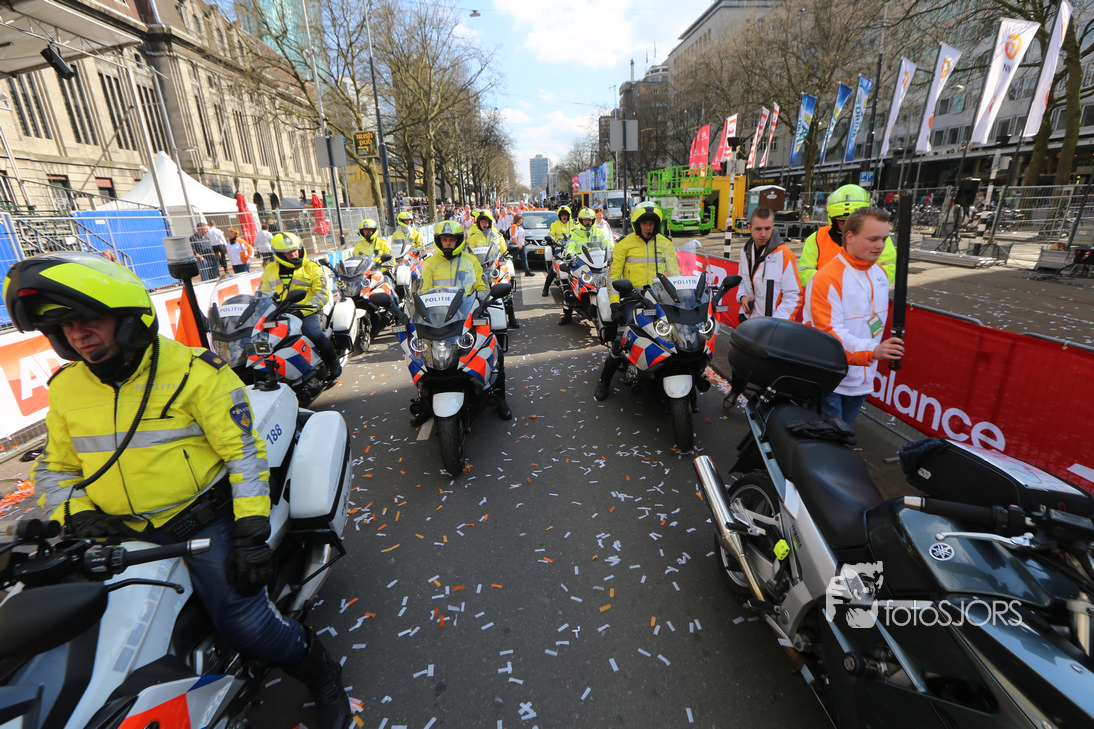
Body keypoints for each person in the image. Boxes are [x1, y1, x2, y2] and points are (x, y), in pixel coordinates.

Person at [2, 252, 351, 729]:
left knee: (246, 624)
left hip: (202, 524)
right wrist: (74, 514)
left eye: (88, 320)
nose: (77, 334)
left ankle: (324, 678)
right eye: (64, 326)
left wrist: (250, 533)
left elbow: (243, 454)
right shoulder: (67, 389)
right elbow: (55, 469)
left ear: (128, 319)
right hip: (113, 533)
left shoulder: (194, 372)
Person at [804, 207, 904, 426]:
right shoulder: (826, 279)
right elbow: (828, 336)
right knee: (826, 440)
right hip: (830, 381)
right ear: (850, 237)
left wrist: (872, 355)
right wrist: (872, 352)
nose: (880, 245)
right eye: (873, 239)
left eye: (884, 239)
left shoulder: (880, 274)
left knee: (843, 435)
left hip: (862, 380)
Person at [415, 220, 511, 422]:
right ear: (438, 241)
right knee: (421, 357)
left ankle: (500, 399)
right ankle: (425, 402)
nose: (448, 243)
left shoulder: (471, 260)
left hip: (468, 314)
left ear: (459, 240)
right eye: (444, 239)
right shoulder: (430, 263)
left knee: (495, 351)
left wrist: (480, 302)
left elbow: (482, 286)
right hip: (439, 318)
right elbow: (423, 291)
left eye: (451, 239)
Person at [593, 202, 680, 401]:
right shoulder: (624, 244)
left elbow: (675, 275)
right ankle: (604, 381)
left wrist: (679, 299)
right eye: (645, 223)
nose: (649, 227)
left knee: (674, 335)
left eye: (652, 223)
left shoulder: (665, 243)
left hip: (659, 297)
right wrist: (615, 304)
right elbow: (614, 277)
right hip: (633, 297)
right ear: (637, 224)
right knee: (621, 341)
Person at [258, 232, 341, 380]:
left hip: (306, 311)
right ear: (279, 254)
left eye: (295, 250)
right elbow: (262, 294)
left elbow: (322, 294)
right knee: (261, 338)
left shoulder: (311, 267)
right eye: (288, 252)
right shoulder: (270, 269)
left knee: (313, 333)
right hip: (278, 312)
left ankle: (333, 361)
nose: (294, 254)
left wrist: (302, 310)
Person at [797, 184, 897, 289]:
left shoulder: (878, 236)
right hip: (826, 293)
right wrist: (832, 282)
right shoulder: (817, 237)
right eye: (842, 220)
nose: (847, 224)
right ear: (833, 219)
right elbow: (804, 272)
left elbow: (890, 268)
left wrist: (860, 282)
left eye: (852, 220)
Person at [737, 207, 800, 321]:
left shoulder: (784, 254)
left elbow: (793, 296)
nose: (763, 234)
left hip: (773, 325)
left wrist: (775, 324)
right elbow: (742, 282)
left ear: (773, 226)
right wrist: (743, 297)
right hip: (748, 321)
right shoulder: (745, 252)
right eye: (758, 229)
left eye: (767, 228)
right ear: (749, 228)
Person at [465, 210, 519, 328]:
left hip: (493, 266)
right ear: (478, 223)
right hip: (479, 268)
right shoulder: (473, 237)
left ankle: (512, 318)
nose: (484, 224)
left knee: (506, 287)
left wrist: (506, 254)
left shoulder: (497, 236)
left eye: (486, 222)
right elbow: (468, 252)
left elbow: (503, 250)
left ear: (489, 222)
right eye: (482, 222)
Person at [558, 207, 612, 325]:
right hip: (581, 263)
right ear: (581, 220)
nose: (588, 222)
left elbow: (607, 242)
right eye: (586, 220)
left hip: (598, 262)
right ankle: (567, 314)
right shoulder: (575, 232)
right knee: (570, 285)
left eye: (590, 220)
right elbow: (570, 245)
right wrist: (569, 254)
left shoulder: (598, 231)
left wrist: (614, 249)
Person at [541, 205, 574, 297]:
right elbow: (551, 234)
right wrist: (550, 238)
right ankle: (545, 288)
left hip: (572, 249)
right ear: (559, 216)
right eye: (562, 215)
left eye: (566, 214)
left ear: (569, 215)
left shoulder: (574, 224)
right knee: (554, 267)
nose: (564, 216)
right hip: (559, 249)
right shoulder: (554, 224)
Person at [510, 212, 533, 277]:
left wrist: (523, 242)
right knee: (513, 259)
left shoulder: (520, 226)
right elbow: (514, 236)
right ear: (518, 219)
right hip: (515, 245)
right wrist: (518, 244)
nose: (522, 220)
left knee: (524, 258)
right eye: (521, 219)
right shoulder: (514, 226)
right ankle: (510, 272)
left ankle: (527, 271)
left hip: (521, 244)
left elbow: (521, 236)